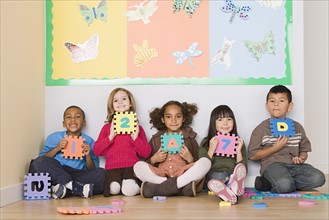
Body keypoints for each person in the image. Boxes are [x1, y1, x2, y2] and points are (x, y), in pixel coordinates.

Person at [248, 85, 326, 193]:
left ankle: (273, 183)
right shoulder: (260, 129)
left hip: (295, 166)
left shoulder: (297, 127)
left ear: (289, 106)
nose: (276, 104)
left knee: (319, 178)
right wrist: (274, 148)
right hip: (273, 166)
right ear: (266, 106)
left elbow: (304, 150)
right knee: (284, 185)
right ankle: (277, 183)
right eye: (272, 101)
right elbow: (252, 155)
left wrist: (301, 158)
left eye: (281, 101)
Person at [133, 100, 211, 198]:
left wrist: (189, 158)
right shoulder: (155, 139)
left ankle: (164, 188)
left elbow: (197, 161)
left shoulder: (189, 138)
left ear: (183, 119)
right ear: (162, 119)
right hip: (162, 175)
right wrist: (154, 159)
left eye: (178, 116)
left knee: (205, 162)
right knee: (138, 166)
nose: (173, 121)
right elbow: (147, 162)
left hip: (183, 174)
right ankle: (180, 188)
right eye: (168, 117)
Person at [29, 105, 105, 199]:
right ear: (64, 123)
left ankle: (61, 189)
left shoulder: (89, 141)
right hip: (57, 171)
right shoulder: (53, 137)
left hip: (77, 174)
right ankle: (75, 188)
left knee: (102, 174)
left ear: (84, 123)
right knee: (37, 162)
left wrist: (88, 155)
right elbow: (42, 158)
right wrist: (57, 148)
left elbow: (93, 168)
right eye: (68, 117)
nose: (73, 120)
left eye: (77, 117)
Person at [93, 88, 152, 197]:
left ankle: (137, 185)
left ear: (130, 104)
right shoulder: (107, 128)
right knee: (113, 189)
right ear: (112, 106)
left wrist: (135, 137)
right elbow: (97, 151)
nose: (120, 102)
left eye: (124, 99)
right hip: (112, 168)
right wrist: (110, 137)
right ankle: (122, 185)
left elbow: (146, 153)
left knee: (129, 190)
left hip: (131, 166)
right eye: (115, 100)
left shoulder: (138, 128)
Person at [199, 105, 247, 204]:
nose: (225, 123)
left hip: (232, 173)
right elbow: (202, 167)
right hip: (214, 174)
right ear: (213, 123)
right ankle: (232, 187)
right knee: (218, 177)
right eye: (220, 119)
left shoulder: (238, 141)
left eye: (229, 119)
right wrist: (211, 148)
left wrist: (238, 150)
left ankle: (231, 190)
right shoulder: (206, 141)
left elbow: (243, 167)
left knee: (231, 175)